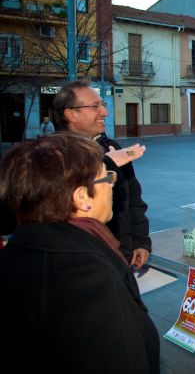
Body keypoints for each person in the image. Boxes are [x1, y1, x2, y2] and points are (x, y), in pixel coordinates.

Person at [0, 134, 159, 372]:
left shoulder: (13, 254)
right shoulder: (91, 278)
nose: (112, 184)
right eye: (106, 176)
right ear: (82, 197)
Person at [53, 80, 151, 268]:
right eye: (94, 106)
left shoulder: (112, 148)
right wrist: (107, 164)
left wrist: (140, 241)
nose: (105, 112)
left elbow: (133, 198)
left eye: (102, 105)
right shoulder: (53, 155)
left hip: (121, 255)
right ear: (71, 113)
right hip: (82, 262)